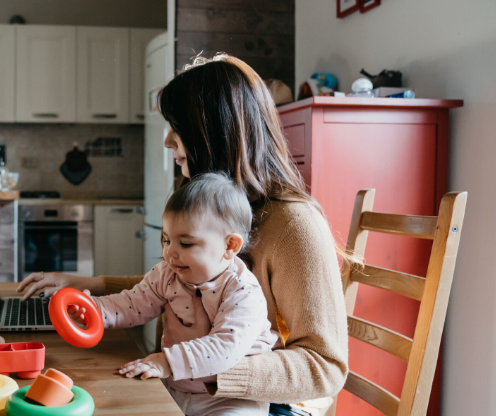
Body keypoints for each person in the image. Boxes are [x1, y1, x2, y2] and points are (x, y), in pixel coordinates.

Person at [17, 54, 348, 416]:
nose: (167, 141)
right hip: (190, 384)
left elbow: (324, 368)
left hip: (270, 403)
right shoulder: (205, 210)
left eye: (178, 127)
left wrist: (197, 367)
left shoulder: (293, 224)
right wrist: (87, 285)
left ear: (215, 133)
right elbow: (173, 286)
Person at [82, 173, 277, 415]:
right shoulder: (167, 274)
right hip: (174, 386)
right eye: (166, 240)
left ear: (230, 246)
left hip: (229, 400)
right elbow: (133, 303)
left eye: (185, 244)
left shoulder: (244, 292)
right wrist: (95, 310)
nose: (169, 253)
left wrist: (166, 362)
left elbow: (224, 346)